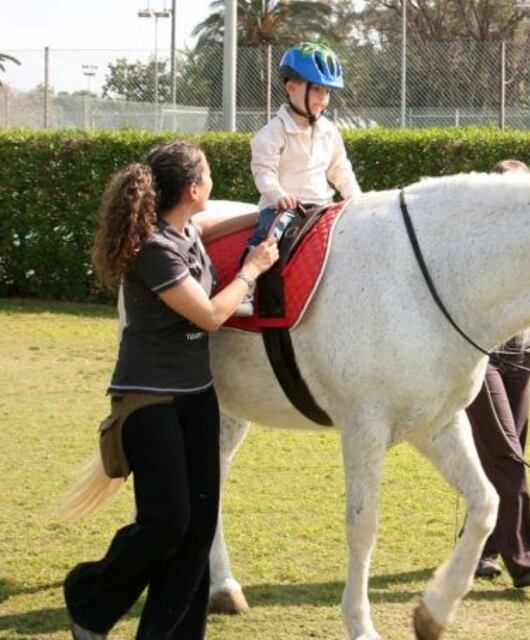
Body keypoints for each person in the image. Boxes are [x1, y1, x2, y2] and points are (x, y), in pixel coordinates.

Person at [64, 141, 278, 640]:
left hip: (195, 397)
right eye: (206, 174)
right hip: (149, 403)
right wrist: (252, 269)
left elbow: (204, 228)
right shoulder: (153, 250)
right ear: (192, 188)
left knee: (197, 528)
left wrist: (266, 212)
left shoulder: (183, 230)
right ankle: (88, 596)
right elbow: (208, 315)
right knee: (167, 523)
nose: (212, 181)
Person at [465, 159, 530, 589]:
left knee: (505, 456)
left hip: (520, 359)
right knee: (509, 458)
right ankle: (526, 559)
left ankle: (477, 549)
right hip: (483, 359)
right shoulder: (479, 244)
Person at [238, 41, 362, 315]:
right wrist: (279, 195)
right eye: (316, 88)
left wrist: (357, 199)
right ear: (291, 86)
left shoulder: (329, 131)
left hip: (321, 206)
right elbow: (264, 171)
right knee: (269, 234)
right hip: (283, 208)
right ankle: (245, 289)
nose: (323, 98)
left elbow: (340, 168)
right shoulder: (272, 132)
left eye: (327, 91)